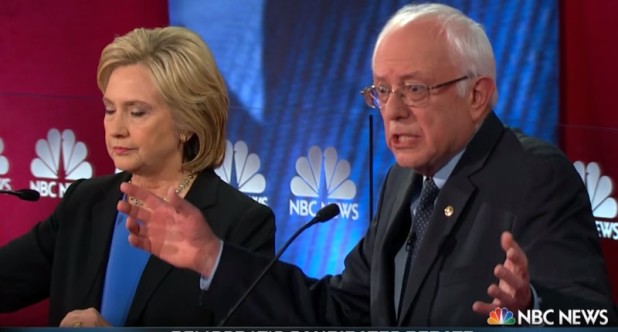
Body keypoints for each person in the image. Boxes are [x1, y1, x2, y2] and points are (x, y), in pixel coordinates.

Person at [119, 3, 617, 326]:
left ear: (477, 96)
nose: (393, 110)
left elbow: (592, 317)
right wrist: (212, 257)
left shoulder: (534, 177)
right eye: (382, 90)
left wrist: (530, 310)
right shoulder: (405, 181)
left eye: (415, 89)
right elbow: (340, 311)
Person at [0, 26, 275, 327]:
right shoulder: (84, 202)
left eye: (137, 112)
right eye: (109, 109)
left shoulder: (241, 224)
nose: (115, 128)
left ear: (187, 123)